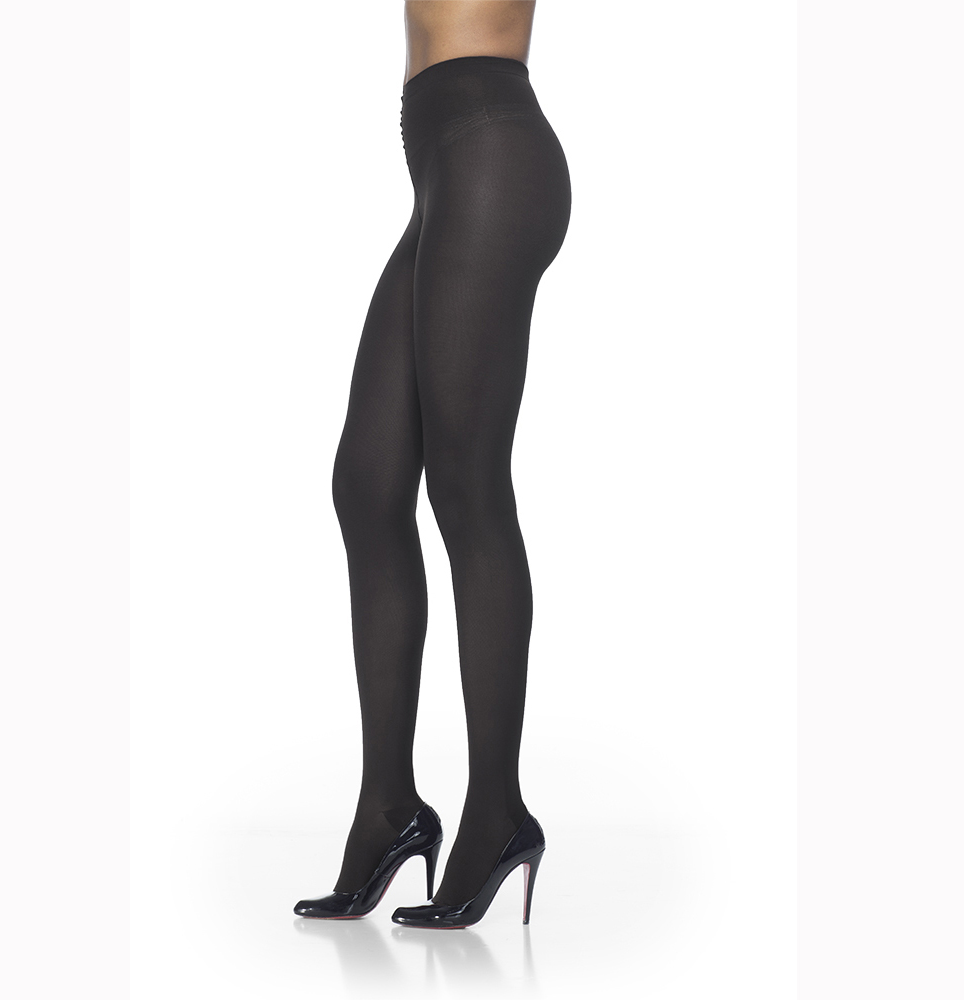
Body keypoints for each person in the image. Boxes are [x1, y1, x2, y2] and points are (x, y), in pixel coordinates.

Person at [294, 0, 571, 928]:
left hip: (493, 147)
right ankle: (389, 808)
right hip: (444, 167)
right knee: (368, 486)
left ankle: (497, 814)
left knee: (466, 485)